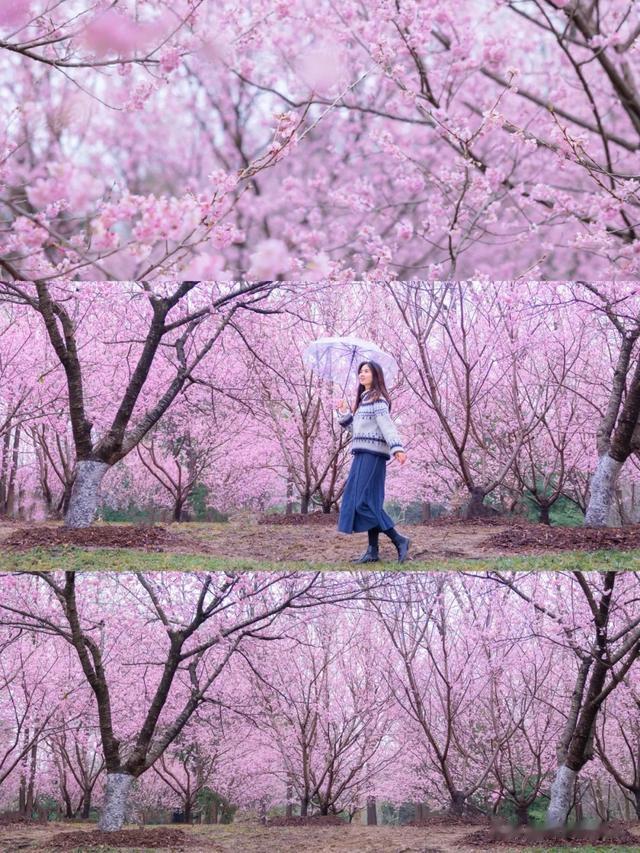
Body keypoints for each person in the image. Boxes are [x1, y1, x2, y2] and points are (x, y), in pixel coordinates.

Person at [335, 360, 411, 563]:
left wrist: (397, 448)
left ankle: (399, 540)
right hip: (361, 454)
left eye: (366, 371)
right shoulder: (363, 401)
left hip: (373, 456)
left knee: (363, 502)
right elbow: (356, 432)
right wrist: (344, 414)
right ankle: (372, 550)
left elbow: (387, 425)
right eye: (360, 371)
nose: (362, 374)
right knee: (367, 501)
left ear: (375, 375)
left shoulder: (378, 400)